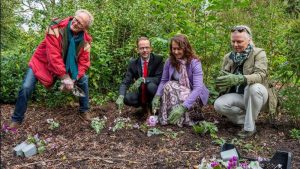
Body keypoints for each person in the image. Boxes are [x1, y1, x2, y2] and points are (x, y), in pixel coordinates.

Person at [8, 9, 94, 129]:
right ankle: (16, 119)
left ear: (84, 28)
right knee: (26, 87)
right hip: (42, 62)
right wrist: (65, 77)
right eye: (75, 19)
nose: (75, 23)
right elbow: (53, 55)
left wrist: (73, 79)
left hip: (65, 67)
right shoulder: (55, 26)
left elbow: (84, 63)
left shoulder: (86, 42)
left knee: (83, 79)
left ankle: (84, 110)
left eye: (80, 23)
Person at [214, 25, 277, 138]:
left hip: (258, 96)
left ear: (249, 40)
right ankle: (246, 119)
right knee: (219, 105)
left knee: (252, 87)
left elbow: (261, 75)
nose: (235, 44)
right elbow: (222, 79)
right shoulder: (228, 57)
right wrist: (221, 82)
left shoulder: (258, 53)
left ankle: (249, 128)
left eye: (239, 41)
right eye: (233, 41)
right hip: (240, 97)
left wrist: (241, 78)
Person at [152, 34, 209, 127]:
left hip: (194, 96)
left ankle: (186, 118)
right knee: (168, 85)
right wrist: (157, 96)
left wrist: (183, 107)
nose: (176, 51)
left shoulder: (194, 62)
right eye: (173, 49)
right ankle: (167, 118)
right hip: (179, 93)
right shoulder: (169, 61)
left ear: (185, 48)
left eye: (179, 49)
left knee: (172, 86)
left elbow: (198, 88)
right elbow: (164, 80)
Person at [115, 37, 164, 117]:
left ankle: (154, 107)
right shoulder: (133, 63)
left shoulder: (158, 59)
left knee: (150, 86)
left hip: (154, 90)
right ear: (137, 50)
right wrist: (121, 96)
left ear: (151, 48)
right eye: (141, 48)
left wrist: (144, 79)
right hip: (141, 92)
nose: (144, 50)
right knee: (127, 98)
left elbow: (159, 78)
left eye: (147, 47)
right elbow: (125, 82)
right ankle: (144, 107)